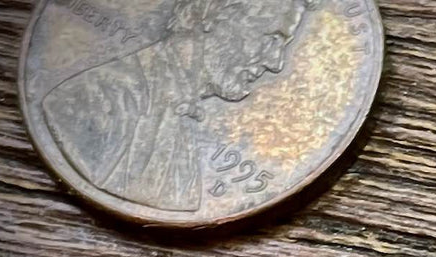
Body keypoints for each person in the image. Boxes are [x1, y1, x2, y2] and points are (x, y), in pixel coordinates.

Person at [40, 0, 308, 212]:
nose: (276, 62)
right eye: (271, 38)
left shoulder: (182, 109)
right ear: (211, 14)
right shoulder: (88, 99)